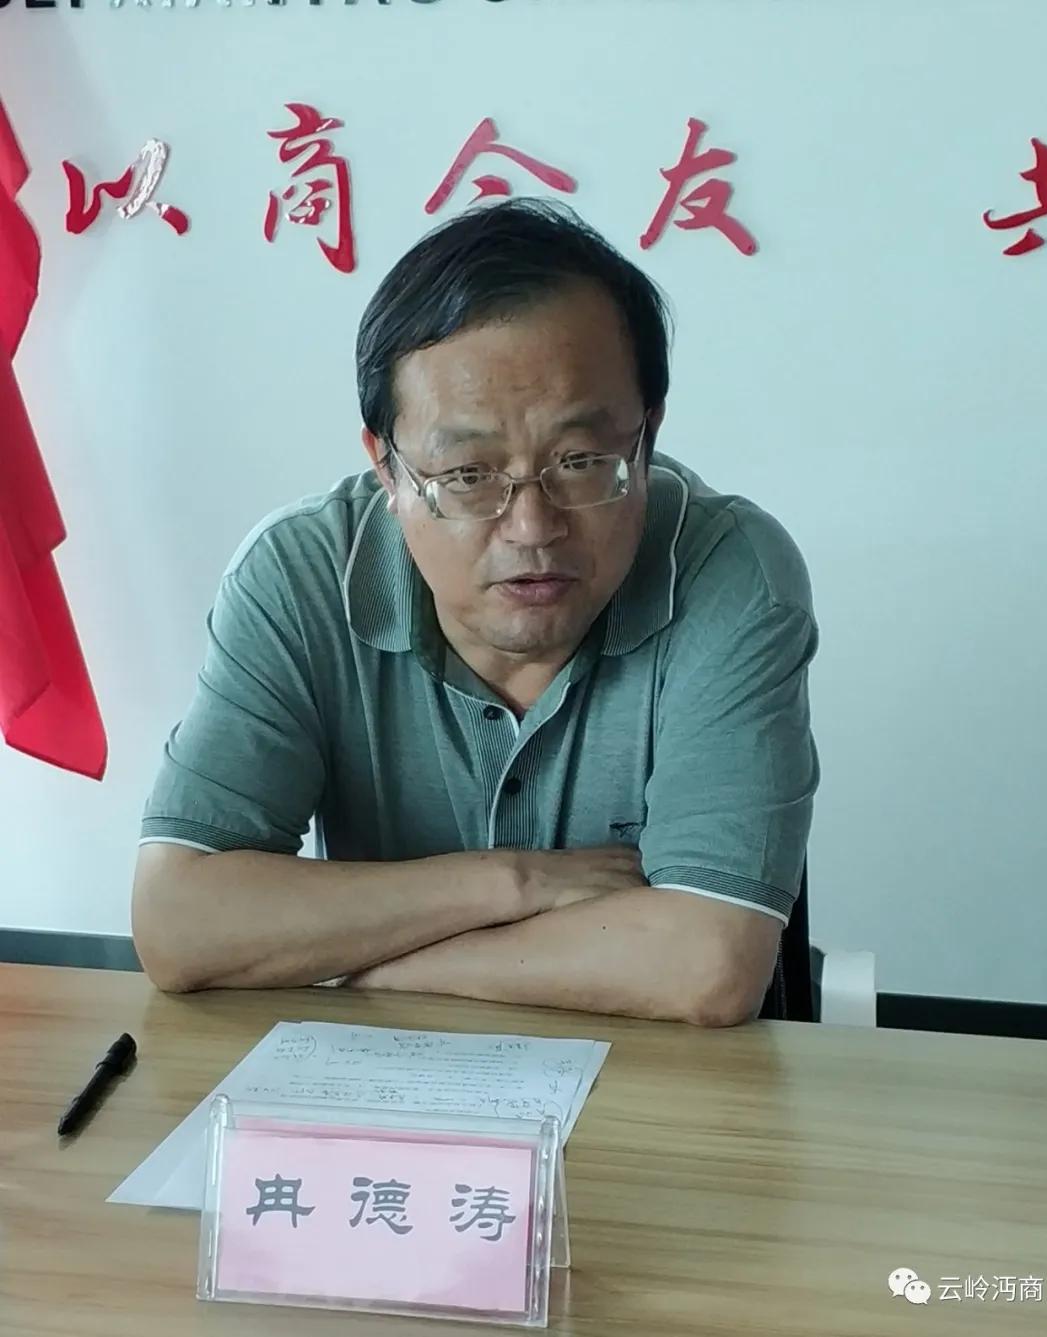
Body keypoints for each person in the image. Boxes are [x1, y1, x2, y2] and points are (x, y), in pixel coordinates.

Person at [131, 199, 819, 1027]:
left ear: (647, 435)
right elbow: (179, 922)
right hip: (384, 1083)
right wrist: (511, 881)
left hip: (662, 1081)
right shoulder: (300, 575)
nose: (532, 527)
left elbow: (709, 964)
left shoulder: (729, 572)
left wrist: (374, 969)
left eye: (581, 460)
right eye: (466, 475)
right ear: (386, 469)